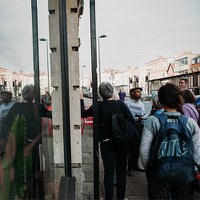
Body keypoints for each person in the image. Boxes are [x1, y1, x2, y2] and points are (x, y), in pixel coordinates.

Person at [140, 83, 200, 199]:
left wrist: (149, 170)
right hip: (185, 173)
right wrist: (194, 168)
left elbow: (144, 150)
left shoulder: (153, 121)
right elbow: (198, 150)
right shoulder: (190, 122)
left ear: (160, 100)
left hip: (158, 172)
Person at [81, 82, 135, 200]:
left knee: (109, 172)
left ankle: (108, 197)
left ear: (100, 93)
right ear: (112, 92)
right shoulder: (120, 104)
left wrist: (81, 99)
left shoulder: (98, 106)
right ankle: (121, 197)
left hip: (106, 142)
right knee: (121, 171)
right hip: (121, 142)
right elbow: (132, 121)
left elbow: (83, 114)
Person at [0, 84, 51, 199]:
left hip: (20, 142)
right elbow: (51, 115)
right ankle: (31, 191)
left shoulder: (17, 106)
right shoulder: (37, 107)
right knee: (31, 168)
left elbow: (7, 122)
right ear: (32, 95)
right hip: (33, 143)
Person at [125, 87, 146, 176]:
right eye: (138, 92)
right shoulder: (127, 103)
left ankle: (135, 164)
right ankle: (128, 167)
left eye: (140, 92)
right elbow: (126, 116)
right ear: (132, 93)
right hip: (131, 127)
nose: (140, 94)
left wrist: (144, 117)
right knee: (130, 147)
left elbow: (144, 113)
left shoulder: (141, 103)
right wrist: (136, 118)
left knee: (137, 146)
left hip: (139, 127)